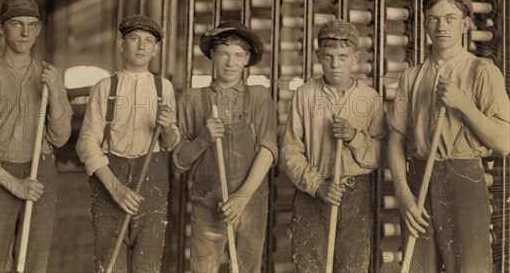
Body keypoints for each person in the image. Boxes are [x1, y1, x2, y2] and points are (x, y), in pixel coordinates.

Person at [388, 0, 510, 272]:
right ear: (425, 24)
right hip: (418, 180)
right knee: (417, 266)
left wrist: (463, 105)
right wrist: (403, 193)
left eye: (450, 18)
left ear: (465, 24)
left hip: (464, 179)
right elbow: (395, 138)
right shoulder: (412, 76)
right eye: (433, 19)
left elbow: (505, 143)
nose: (441, 26)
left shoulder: (483, 71)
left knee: (469, 268)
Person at [0, 0, 73, 273]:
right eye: (17, 24)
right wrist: (12, 184)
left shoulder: (50, 77)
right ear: (1, 28)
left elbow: (60, 138)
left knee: (33, 264)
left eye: (33, 25)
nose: (26, 32)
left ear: (39, 29)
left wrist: (57, 91)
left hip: (41, 174)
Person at [280, 19, 387, 272]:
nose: (335, 64)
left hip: (357, 194)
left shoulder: (369, 98)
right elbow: (289, 151)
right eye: (328, 56)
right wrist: (318, 186)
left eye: (343, 56)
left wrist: (354, 137)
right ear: (318, 55)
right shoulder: (305, 95)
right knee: (311, 265)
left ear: (356, 57)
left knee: (353, 266)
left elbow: (380, 156)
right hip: (313, 192)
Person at [76, 15, 180, 273]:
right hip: (111, 175)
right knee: (110, 264)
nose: (141, 46)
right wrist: (115, 187)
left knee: (147, 263)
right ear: (121, 44)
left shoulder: (163, 87)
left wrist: (167, 126)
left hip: (152, 178)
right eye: (134, 39)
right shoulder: (104, 87)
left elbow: (171, 143)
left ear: (156, 49)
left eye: (148, 41)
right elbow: (87, 142)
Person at [172, 20, 278, 273]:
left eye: (238, 55)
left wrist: (241, 197)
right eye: (224, 54)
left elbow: (268, 148)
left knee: (246, 268)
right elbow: (180, 160)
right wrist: (203, 140)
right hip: (209, 200)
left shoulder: (259, 96)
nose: (231, 63)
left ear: (247, 60)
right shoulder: (191, 99)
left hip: (250, 200)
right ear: (212, 56)